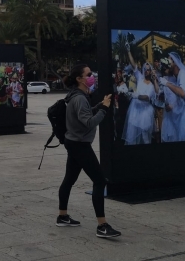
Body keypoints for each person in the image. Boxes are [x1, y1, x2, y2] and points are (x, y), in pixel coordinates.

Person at [57, 64, 120, 238]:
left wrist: (100, 104)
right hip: (80, 144)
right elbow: (89, 122)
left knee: (69, 179)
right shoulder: (79, 98)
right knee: (100, 181)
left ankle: (62, 216)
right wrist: (105, 109)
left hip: (73, 141)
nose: (92, 77)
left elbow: (85, 114)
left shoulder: (76, 96)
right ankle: (102, 226)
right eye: (89, 74)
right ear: (80, 79)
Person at [121, 43, 159, 145]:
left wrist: (136, 96)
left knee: (145, 136)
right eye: (145, 69)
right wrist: (128, 51)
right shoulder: (140, 78)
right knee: (132, 134)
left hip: (145, 112)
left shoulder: (151, 85)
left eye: (148, 69)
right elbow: (134, 65)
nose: (147, 71)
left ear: (151, 71)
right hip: (135, 109)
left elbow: (147, 97)